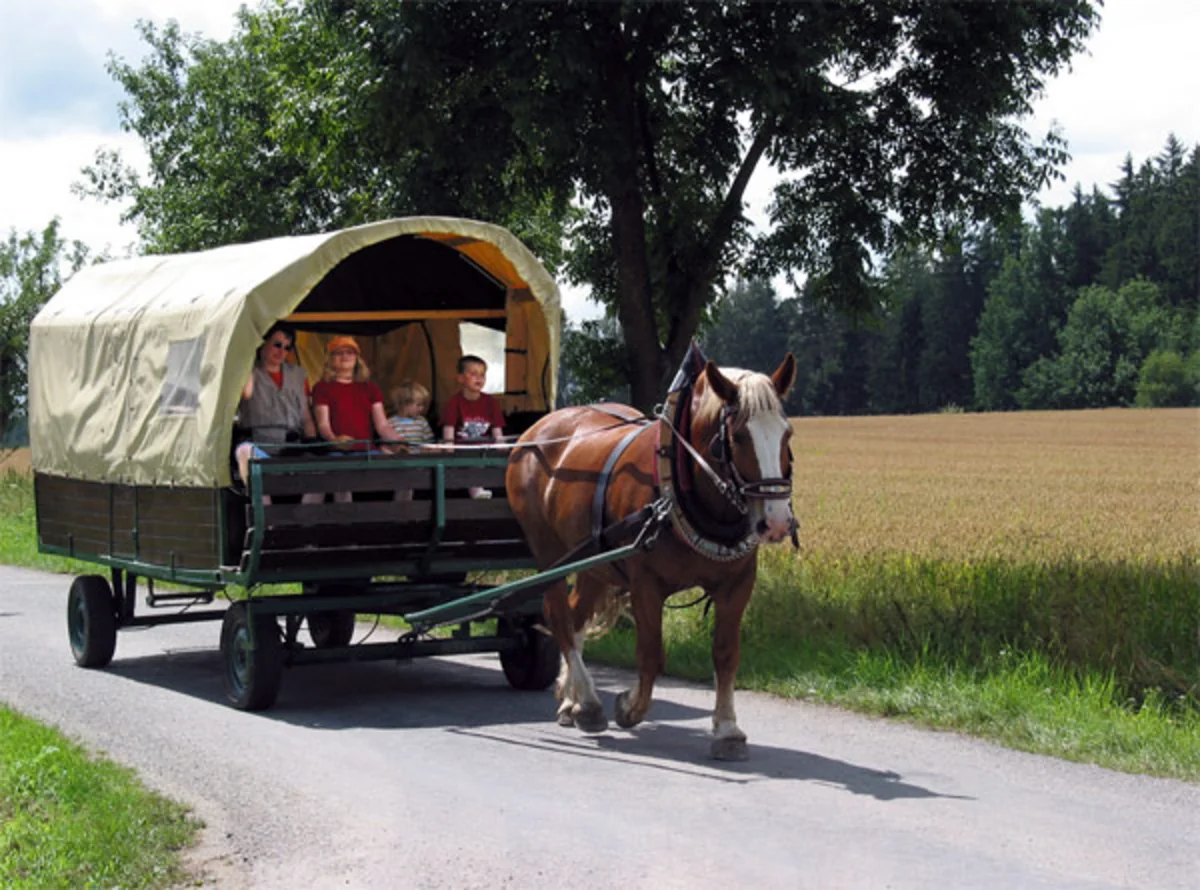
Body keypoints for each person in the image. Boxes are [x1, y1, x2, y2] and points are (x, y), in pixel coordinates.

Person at [233, 323, 321, 504]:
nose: (282, 352)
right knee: (244, 452)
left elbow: (306, 416)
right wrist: (249, 356)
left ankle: (304, 522)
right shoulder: (249, 371)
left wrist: (312, 444)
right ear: (263, 343)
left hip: (291, 447)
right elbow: (247, 393)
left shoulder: (298, 375)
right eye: (277, 344)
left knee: (322, 469)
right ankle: (265, 519)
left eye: (287, 348)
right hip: (260, 445)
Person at [311, 336, 405, 501]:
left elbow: (382, 425)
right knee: (341, 478)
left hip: (368, 450)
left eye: (350, 352)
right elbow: (323, 425)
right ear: (330, 360)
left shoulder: (370, 388)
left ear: (357, 358)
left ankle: (405, 516)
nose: (345, 356)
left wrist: (398, 441)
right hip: (338, 452)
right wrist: (335, 440)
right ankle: (346, 521)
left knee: (407, 470)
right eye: (339, 353)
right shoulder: (322, 387)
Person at [441, 354, 505, 499]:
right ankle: (476, 491)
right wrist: (449, 452)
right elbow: (449, 431)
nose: (479, 378)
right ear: (460, 378)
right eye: (473, 374)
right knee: (472, 462)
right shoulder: (453, 403)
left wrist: (502, 449)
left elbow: (497, 432)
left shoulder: (491, 402)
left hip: (485, 450)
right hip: (463, 451)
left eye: (482, 374)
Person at [387, 380, 436, 449]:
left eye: (423, 405)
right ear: (405, 404)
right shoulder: (390, 423)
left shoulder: (422, 422)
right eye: (418, 405)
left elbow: (430, 443)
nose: (422, 408)